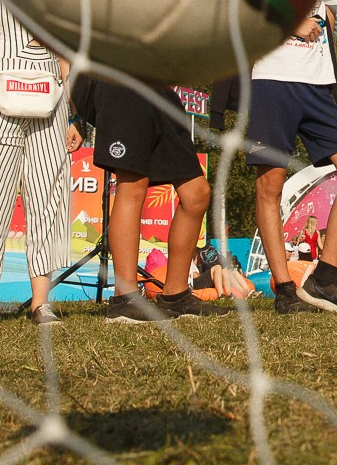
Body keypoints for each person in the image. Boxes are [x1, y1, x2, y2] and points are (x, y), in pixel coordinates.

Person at [240, 0, 337, 314]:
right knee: (270, 187)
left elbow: (328, 12)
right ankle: (285, 290)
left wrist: (329, 71)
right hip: (271, 80)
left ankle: (325, 278)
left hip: (317, 86)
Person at [0, 0, 79, 325]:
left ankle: (40, 302)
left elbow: (64, 59)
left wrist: (71, 114)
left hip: (50, 104)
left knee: (48, 198)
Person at [71, 78, 223, 323]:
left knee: (197, 194)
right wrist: (74, 115)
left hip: (159, 88)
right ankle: (125, 298)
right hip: (121, 77)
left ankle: (175, 296)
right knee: (133, 185)